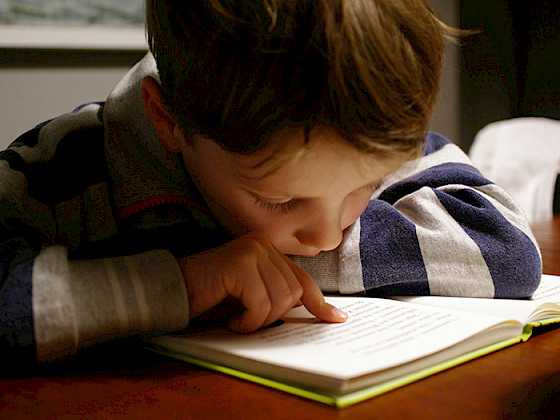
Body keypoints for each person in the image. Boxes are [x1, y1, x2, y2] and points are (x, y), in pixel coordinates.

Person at [0, 0, 542, 364]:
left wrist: (279, 257)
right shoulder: (62, 165)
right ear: (170, 121)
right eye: (278, 200)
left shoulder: (362, 128)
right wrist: (182, 282)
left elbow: (506, 248)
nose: (330, 236)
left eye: (367, 185)